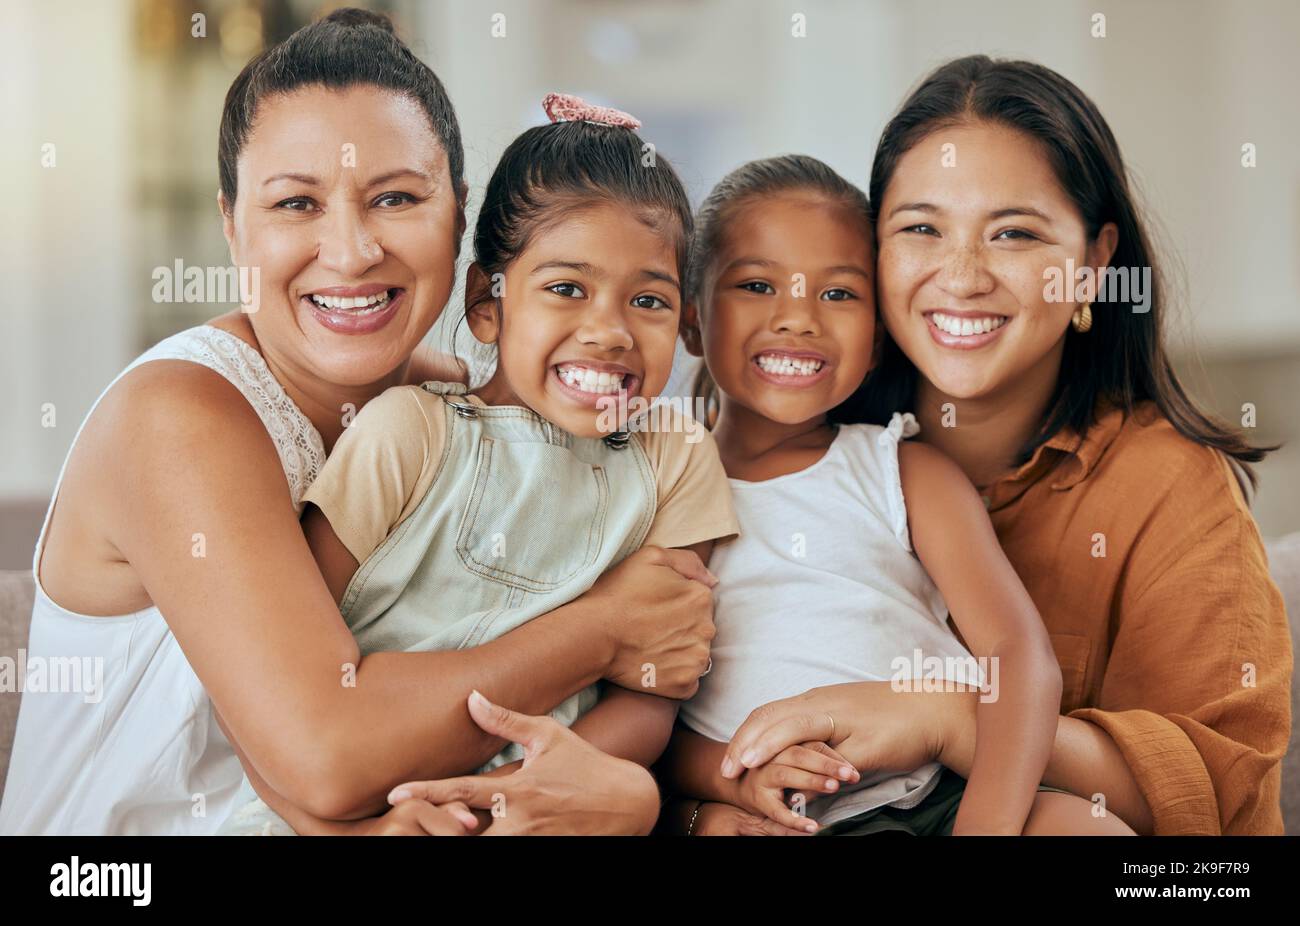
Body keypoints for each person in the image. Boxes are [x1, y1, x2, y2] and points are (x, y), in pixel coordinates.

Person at [0, 9, 715, 837]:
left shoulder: (462, 409)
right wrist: (604, 629)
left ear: (458, 220)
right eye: (296, 203)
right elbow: (326, 758)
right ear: (234, 226)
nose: (349, 252)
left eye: (397, 199)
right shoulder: (180, 415)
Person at [712, 56, 1291, 835]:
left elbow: (1219, 803)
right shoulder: (782, 446)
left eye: (1013, 233)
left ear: (1091, 265)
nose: (962, 276)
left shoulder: (1171, 487)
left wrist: (950, 720)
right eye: (920, 229)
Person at [220, 94, 738, 835]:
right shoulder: (409, 433)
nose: (608, 331)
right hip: (352, 810)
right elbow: (275, 696)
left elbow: (657, 686)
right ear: (486, 303)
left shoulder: (675, 459)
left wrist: (522, 795)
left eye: (648, 300)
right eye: (566, 289)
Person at [655, 155, 1130, 836]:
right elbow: (640, 710)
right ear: (693, 321)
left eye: (839, 294)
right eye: (757, 284)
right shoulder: (655, 488)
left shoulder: (900, 471)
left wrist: (987, 824)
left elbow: (1017, 654)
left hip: (940, 804)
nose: (797, 319)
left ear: (877, 340)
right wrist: (723, 784)